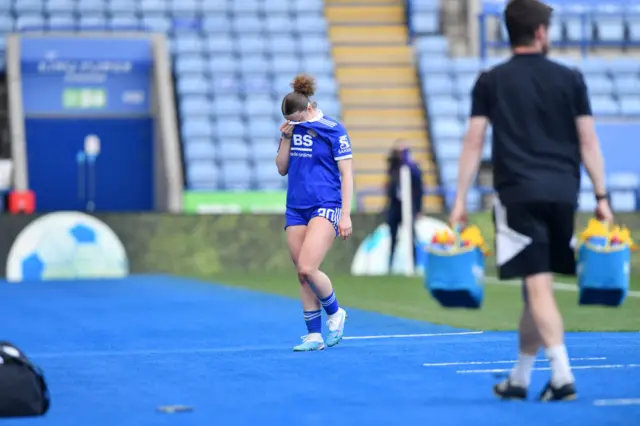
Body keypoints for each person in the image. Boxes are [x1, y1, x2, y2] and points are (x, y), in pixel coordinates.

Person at [449, 0, 613, 402]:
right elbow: (588, 141)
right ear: (541, 32)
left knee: (537, 285)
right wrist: (602, 196)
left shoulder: (490, 80)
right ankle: (520, 378)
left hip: (519, 194)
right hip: (563, 194)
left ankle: (561, 375)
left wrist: (458, 201)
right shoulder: (571, 78)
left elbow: (473, 142)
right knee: (534, 287)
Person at [275, 74, 353, 352]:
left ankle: (335, 313)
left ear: (309, 109)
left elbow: (347, 174)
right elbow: (282, 168)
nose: (294, 124)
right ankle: (314, 336)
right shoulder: (291, 130)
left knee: (308, 266)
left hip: (326, 204)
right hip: (296, 207)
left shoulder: (333, 129)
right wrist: (285, 138)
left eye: (297, 119)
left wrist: (345, 214)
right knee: (301, 274)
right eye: (290, 121)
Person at [385, 140, 423, 273]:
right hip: (395, 207)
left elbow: (419, 189)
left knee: (411, 237)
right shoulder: (393, 168)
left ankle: (414, 264)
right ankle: (390, 265)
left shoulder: (413, 168)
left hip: (409, 207)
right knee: (393, 237)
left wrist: (418, 209)